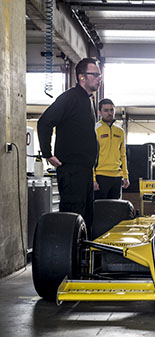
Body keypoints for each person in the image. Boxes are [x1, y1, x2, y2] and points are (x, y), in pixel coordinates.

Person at [37, 57, 101, 236]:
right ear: (82, 77)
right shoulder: (70, 98)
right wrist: (48, 153)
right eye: (94, 74)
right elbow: (45, 122)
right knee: (73, 220)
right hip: (71, 170)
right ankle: (68, 260)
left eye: (99, 74)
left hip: (85, 171)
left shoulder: (88, 101)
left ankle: (83, 260)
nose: (99, 78)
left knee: (86, 220)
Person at [94, 98, 130, 199]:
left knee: (115, 210)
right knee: (99, 210)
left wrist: (125, 176)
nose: (109, 113)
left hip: (117, 177)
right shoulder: (95, 129)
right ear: (99, 112)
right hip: (100, 175)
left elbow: (123, 155)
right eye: (106, 110)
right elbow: (90, 156)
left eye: (111, 110)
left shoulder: (120, 131)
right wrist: (93, 179)